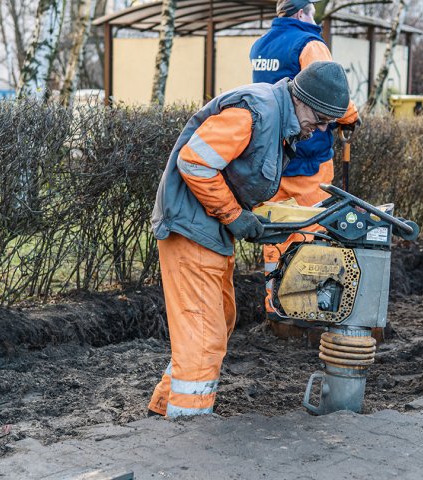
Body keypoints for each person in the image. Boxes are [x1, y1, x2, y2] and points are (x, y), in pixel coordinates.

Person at [148, 61, 351, 417]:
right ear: (300, 99)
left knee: (220, 320)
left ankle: (165, 409)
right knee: (203, 335)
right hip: (191, 229)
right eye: (319, 120)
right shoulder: (255, 112)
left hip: (208, 231)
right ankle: (186, 430)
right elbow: (194, 162)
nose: (318, 130)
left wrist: (252, 218)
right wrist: (234, 215)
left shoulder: (277, 120)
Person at [250, 0, 360, 320]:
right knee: (312, 229)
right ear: (301, 13)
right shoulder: (309, 43)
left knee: (275, 228)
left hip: (272, 154)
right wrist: (350, 118)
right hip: (308, 156)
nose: (315, 19)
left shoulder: (261, 45)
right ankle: (305, 304)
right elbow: (330, 88)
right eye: (312, 12)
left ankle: (274, 302)